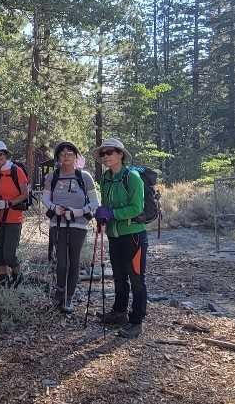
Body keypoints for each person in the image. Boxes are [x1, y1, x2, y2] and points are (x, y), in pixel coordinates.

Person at [92, 138, 149, 339]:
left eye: (110, 152)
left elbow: (137, 208)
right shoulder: (106, 178)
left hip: (134, 235)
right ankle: (119, 312)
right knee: (118, 275)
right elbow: (106, 204)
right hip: (114, 235)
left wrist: (112, 214)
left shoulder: (132, 177)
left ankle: (136, 321)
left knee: (136, 278)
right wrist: (102, 217)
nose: (105, 156)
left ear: (120, 154)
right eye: (103, 153)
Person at [41, 141, 99, 313]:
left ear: (76, 156)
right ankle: (60, 292)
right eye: (62, 153)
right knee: (61, 262)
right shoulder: (52, 177)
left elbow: (95, 203)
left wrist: (77, 212)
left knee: (74, 262)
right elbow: (45, 199)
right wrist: (55, 208)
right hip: (57, 223)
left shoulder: (84, 177)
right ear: (58, 157)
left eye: (70, 153)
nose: (66, 156)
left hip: (78, 225)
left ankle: (68, 298)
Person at [0, 140, 30, 286]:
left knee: (9, 254)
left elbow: (25, 194)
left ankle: (18, 275)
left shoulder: (16, 171)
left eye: (0, 154)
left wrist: (9, 203)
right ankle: (3, 282)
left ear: (5, 154)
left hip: (13, 218)